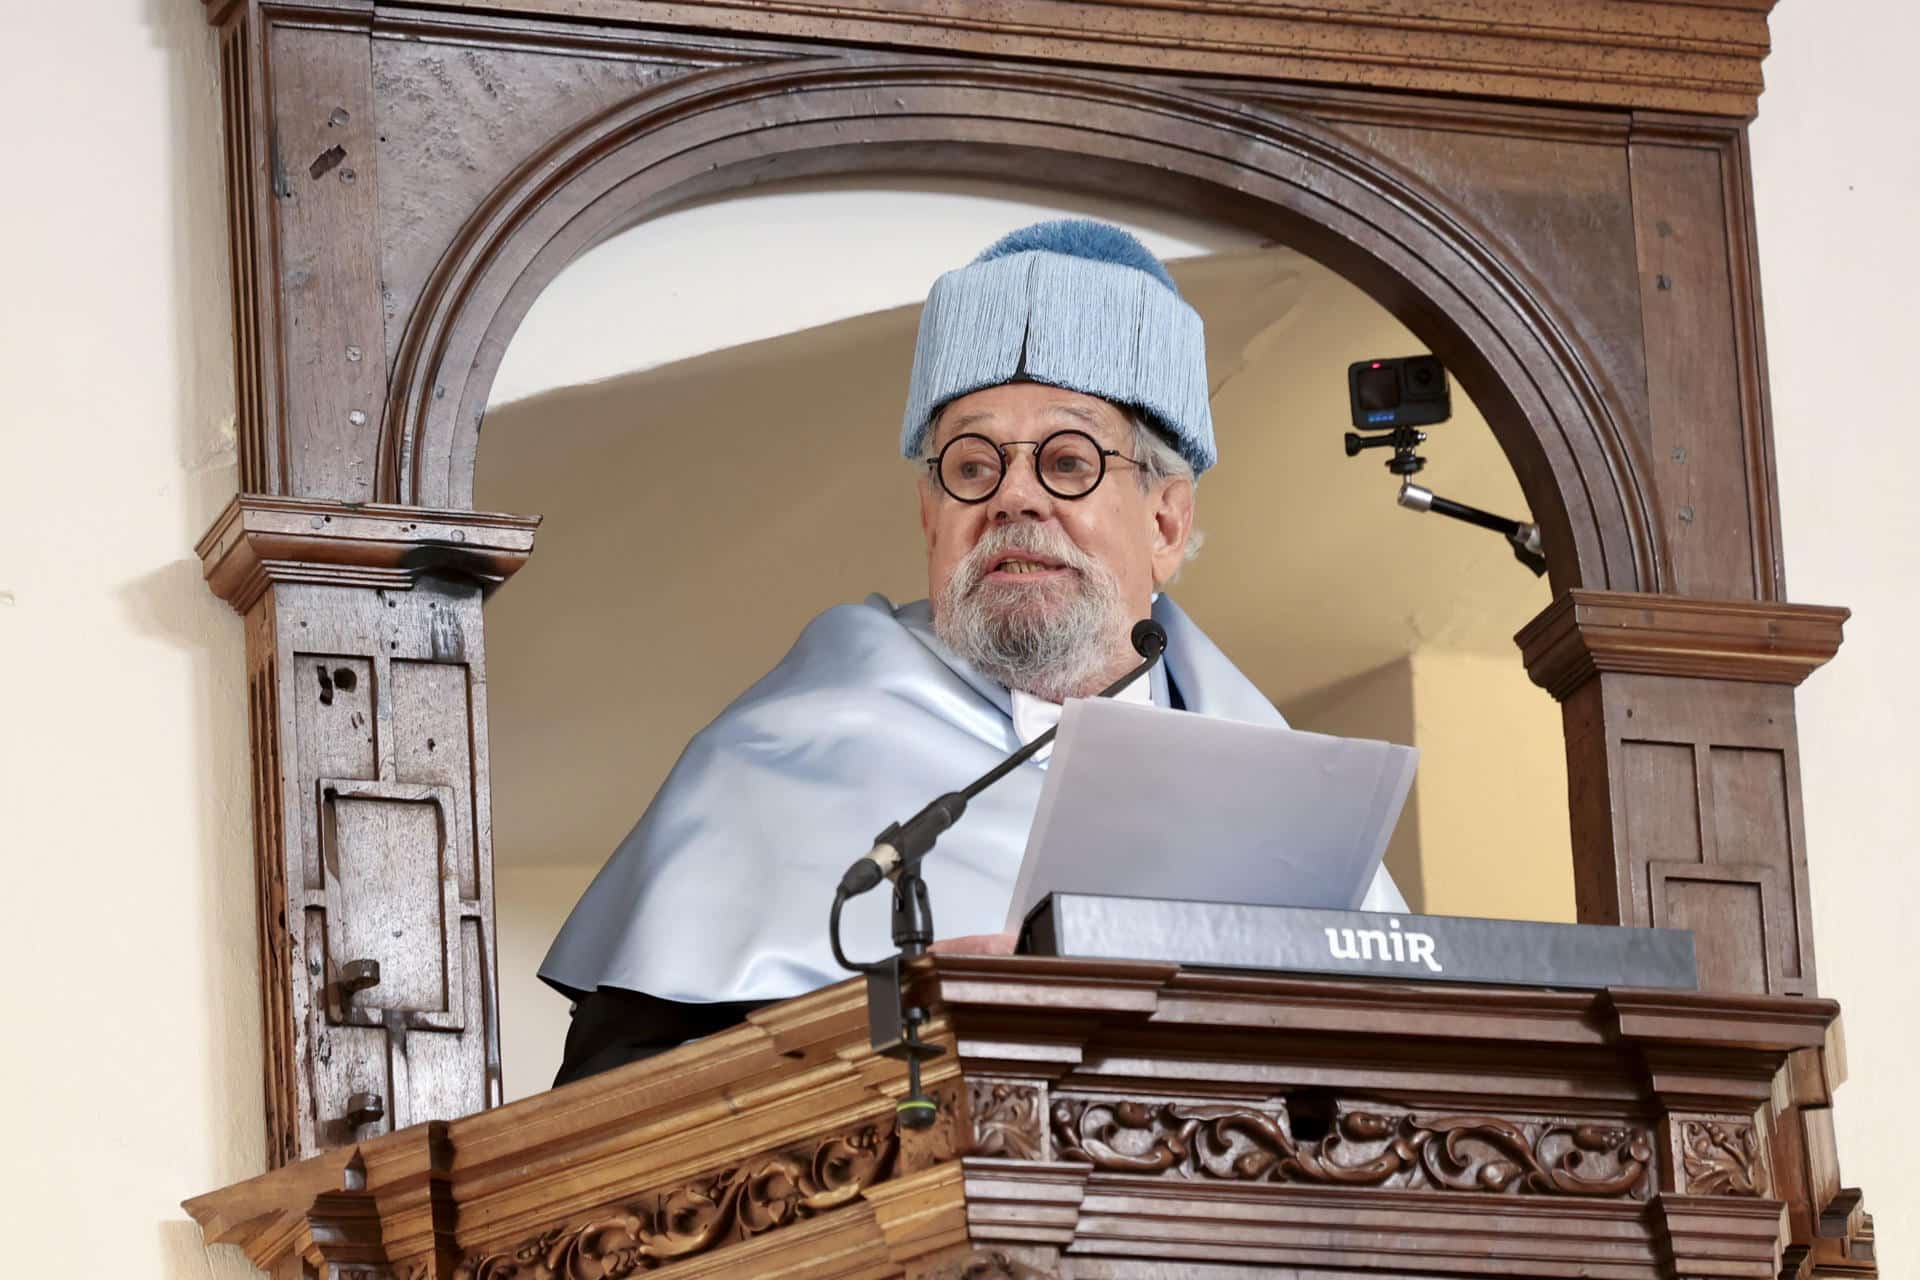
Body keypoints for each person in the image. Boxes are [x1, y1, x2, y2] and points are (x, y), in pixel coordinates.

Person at [541, 220, 1406, 1083]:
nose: (1013, 496)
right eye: (970, 463)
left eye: (1068, 461)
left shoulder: (1283, 790)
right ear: (931, 515)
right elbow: (610, 1094)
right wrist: (894, 1018)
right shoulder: (789, 750)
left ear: (1166, 520)